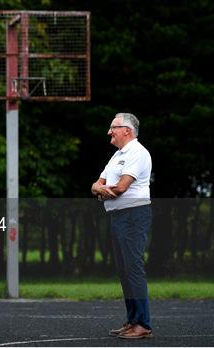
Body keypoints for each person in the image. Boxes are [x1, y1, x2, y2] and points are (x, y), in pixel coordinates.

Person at [91, 113, 153, 339]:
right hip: (118, 215)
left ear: (127, 130)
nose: (109, 132)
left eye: (113, 127)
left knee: (133, 268)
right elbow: (96, 185)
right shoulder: (117, 156)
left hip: (133, 215)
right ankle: (132, 320)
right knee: (124, 270)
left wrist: (103, 192)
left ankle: (143, 324)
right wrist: (102, 190)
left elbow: (121, 188)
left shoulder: (138, 152)